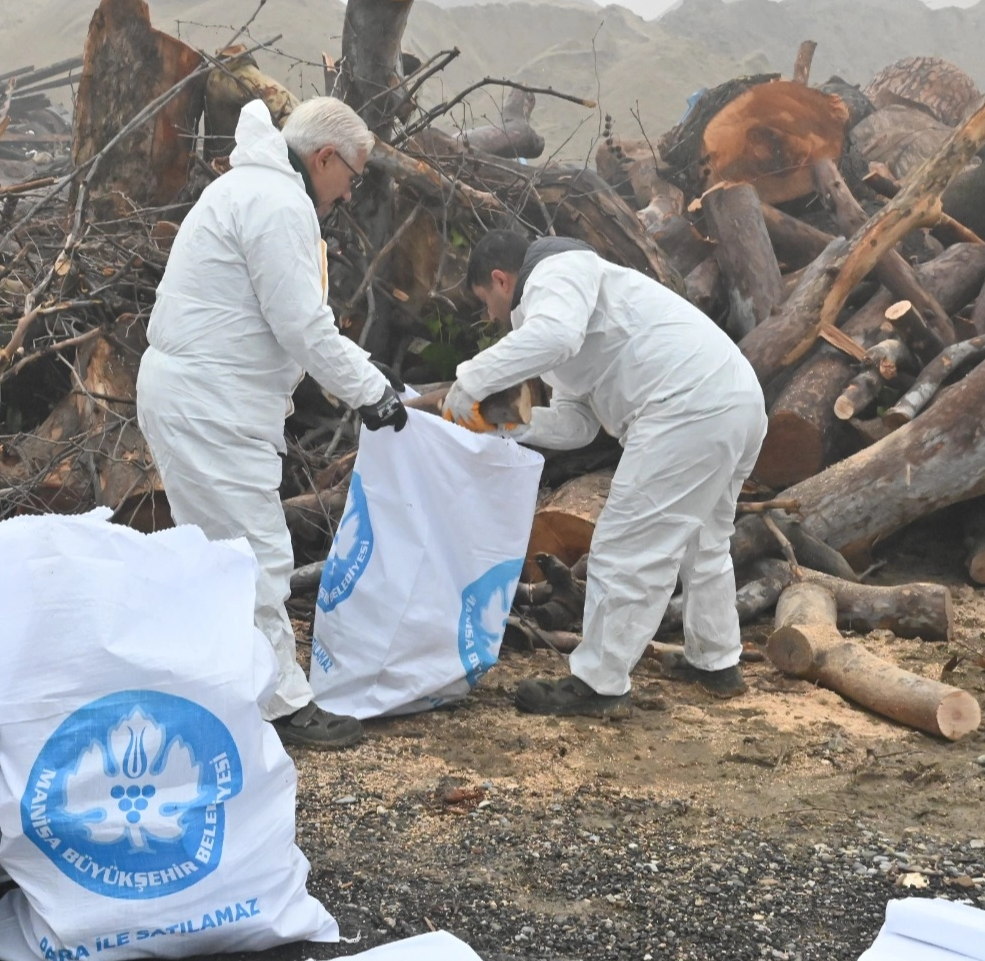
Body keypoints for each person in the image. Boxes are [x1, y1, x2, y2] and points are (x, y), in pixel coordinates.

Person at [137, 96, 408, 749]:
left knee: (217, 558)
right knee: (253, 557)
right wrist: (372, 391)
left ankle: (219, 688)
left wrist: (365, 375)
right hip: (211, 404)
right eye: (353, 176)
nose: (349, 194)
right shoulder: (278, 203)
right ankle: (283, 705)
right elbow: (302, 324)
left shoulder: (253, 189)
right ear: (324, 158)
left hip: (204, 396)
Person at [444, 231, 766, 717]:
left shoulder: (557, 274)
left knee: (624, 546)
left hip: (687, 406)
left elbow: (553, 336)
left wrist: (469, 381)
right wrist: (507, 425)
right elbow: (579, 425)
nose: (491, 317)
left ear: (500, 279)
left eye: (486, 302)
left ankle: (598, 684)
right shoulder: (569, 305)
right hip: (730, 400)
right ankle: (716, 661)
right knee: (705, 540)